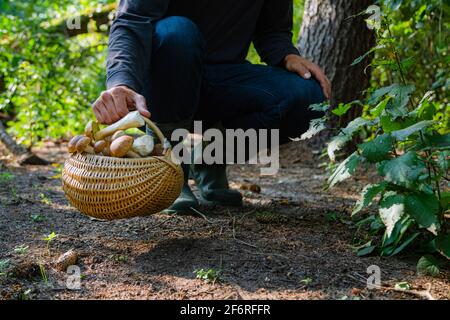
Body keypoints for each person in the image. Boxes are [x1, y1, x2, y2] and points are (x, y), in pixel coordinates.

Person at [92, 0, 331, 214]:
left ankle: (211, 156)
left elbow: (272, 31)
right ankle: (169, 168)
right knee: (177, 31)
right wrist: (121, 81)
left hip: (225, 80)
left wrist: (287, 54)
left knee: (310, 100)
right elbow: (132, 20)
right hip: (167, 78)